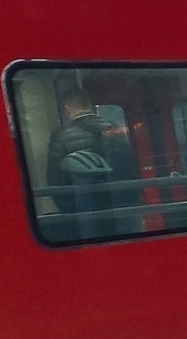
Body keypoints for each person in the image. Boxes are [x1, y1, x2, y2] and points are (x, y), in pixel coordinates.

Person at [46, 85, 132, 236]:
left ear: (67, 109)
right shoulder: (114, 130)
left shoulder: (61, 135)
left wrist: (69, 209)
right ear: (89, 106)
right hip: (118, 207)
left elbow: (55, 179)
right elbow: (129, 168)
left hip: (83, 209)